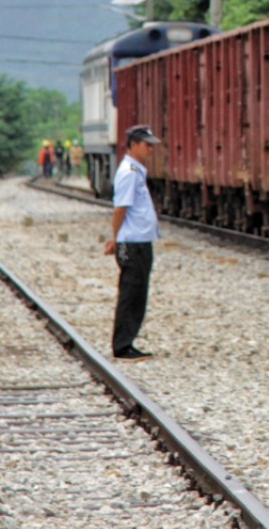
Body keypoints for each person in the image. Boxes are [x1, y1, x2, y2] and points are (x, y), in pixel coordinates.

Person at [104, 125, 160, 360]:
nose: (150, 149)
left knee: (138, 295)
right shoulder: (128, 172)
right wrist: (115, 238)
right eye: (146, 144)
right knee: (131, 294)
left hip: (141, 241)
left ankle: (128, 342)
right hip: (132, 243)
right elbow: (121, 209)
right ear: (134, 144)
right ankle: (122, 345)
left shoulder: (136, 170)